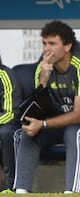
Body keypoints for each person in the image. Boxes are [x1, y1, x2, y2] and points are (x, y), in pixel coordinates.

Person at [13, 20, 80, 194]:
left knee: (74, 132)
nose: (47, 49)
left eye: (52, 44)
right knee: (24, 133)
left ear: (68, 46)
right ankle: (21, 190)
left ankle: (71, 192)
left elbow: (79, 115)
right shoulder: (44, 67)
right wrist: (43, 80)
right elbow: (36, 110)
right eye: (44, 43)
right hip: (58, 122)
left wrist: (44, 124)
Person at [0, 56, 21, 193]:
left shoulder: (4, 74)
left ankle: (10, 184)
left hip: (6, 122)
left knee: (6, 133)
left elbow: (11, 112)